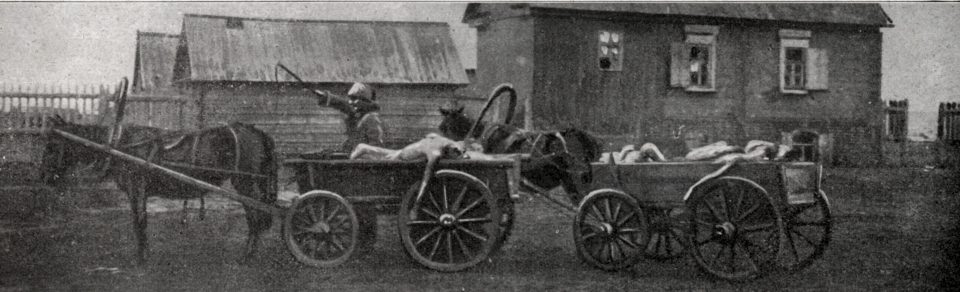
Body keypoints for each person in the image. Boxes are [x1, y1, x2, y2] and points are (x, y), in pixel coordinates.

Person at [313, 82, 385, 152]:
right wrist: (324, 96)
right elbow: (342, 104)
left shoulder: (371, 118)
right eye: (350, 99)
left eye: (354, 98)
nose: (350, 102)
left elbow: (375, 147)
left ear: (366, 101)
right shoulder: (355, 114)